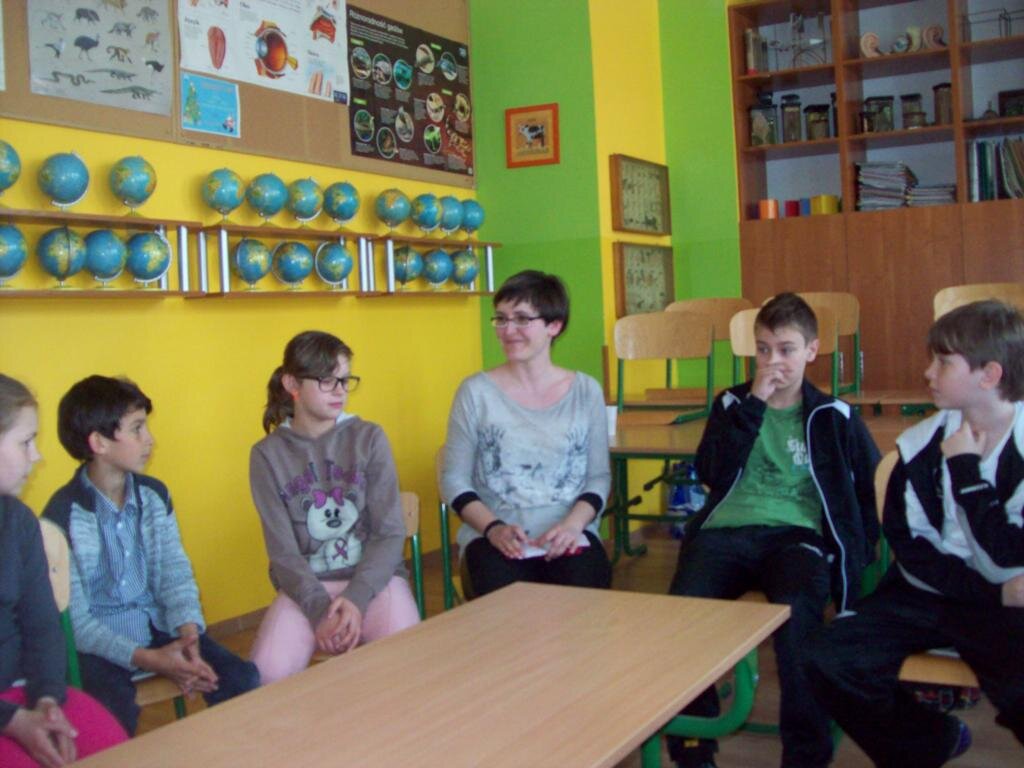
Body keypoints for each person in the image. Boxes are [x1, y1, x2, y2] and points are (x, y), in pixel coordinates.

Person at [805, 300, 1024, 767]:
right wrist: (991, 592)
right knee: (829, 657)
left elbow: (1005, 558)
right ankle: (928, 742)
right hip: (934, 589)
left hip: (1007, 598)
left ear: (989, 375)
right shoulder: (919, 446)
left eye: (943, 363)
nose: (928, 372)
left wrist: (966, 471)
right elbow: (912, 550)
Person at [666, 293, 881, 768]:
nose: (772, 362)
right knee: (682, 615)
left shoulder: (834, 416)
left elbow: (871, 490)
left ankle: (805, 755)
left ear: (811, 350)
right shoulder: (732, 403)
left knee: (799, 622)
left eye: (786, 349)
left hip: (795, 537)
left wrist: (857, 551)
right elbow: (711, 472)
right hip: (726, 533)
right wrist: (754, 407)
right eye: (763, 350)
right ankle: (693, 744)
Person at [42, 376, 259, 736]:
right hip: (100, 647)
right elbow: (77, 624)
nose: (150, 440)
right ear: (99, 442)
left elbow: (175, 574)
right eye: (137, 429)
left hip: (160, 629)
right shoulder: (62, 515)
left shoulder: (154, 496)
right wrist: (150, 659)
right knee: (110, 719)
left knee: (242, 679)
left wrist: (188, 637)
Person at [249, 330, 419, 684]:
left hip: (374, 582)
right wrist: (319, 611)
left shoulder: (369, 437)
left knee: (406, 664)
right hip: (306, 590)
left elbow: (389, 533)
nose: (340, 391)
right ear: (292, 384)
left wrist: (356, 598)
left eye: (345, 380)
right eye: (327, 381)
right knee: (266, 676)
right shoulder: (267, 455)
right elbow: (283, 553)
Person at [441, 270, 612, 597]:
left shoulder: (586, 391)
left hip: (569, 532)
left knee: (584, 599)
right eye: (501, 319)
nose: (508, 330)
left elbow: (598, 477)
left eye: (522, 319)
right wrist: (493, 528)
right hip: (493, 536)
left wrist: (573, 525)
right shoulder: (475, 392)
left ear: (554, 326)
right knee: (506, 607)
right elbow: (454, 480)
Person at [0, 374, 127, 766]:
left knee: (113, 748)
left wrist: (48, 701)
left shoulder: (18, 522)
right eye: (26, 442)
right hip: (8, 714)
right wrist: (14, 721)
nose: (36, 456)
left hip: (25, 694)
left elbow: (42, 626)